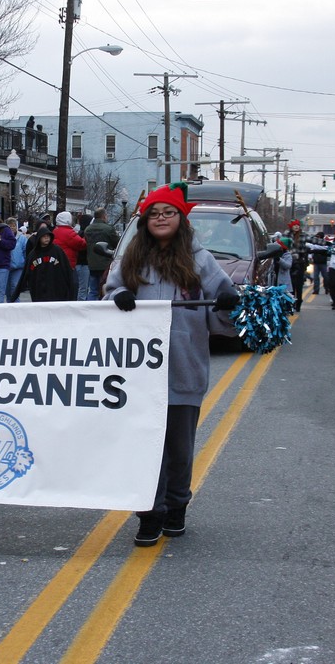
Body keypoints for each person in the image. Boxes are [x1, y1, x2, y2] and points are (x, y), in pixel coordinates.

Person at [103, 182, 240, 547]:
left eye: (168, 213)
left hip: (184, 368)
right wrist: (120, 296)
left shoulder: (201, 260)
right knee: (144, 447)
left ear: (181, 218)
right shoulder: (131, 258)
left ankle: (177, 506)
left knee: (178, 449)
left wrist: (227, 303)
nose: (161, 219)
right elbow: (110, 291)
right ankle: (150, 512)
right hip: (139, 375)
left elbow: (221, 309)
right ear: (145, 221)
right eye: (154, 214)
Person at [10, 225, 75, 302]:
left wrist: (72, 293)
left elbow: (67, 270)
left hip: (57, 288)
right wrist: (15, 295)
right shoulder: (33, 254)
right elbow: (25, 274)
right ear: (39, 238)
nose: (46, 238)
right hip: (38, 290)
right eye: (44, 236)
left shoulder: (57, 251)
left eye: (48, 236)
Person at [84, 207, 118, 300]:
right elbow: (117, 243)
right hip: (105, 263)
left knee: (93, 290)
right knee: (105, 290)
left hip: (92, 264)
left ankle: (90, 310)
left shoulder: (88, 229)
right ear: (104, 216)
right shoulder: (108, 229)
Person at [52, 211, 86, 294]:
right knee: (73, 286)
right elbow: (81, 244)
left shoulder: (55, 231)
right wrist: (86, 238)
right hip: (68, 264)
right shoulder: (69, 233)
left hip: (56, 264)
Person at [6, 217, 28, 302]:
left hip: (18, 267)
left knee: (15, 287)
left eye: (14, 225)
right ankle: (9, 306)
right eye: (9, 225)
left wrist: (24, 263)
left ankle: (16, 306)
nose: (12, 227)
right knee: (7, 290)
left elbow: (25, 251)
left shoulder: (22, 238)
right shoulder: (4, 236)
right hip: (6, 266)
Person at [75, 213, 92, 300]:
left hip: (81, 263)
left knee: (83, 288)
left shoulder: (79, 233)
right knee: (83, 288)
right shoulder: (84, 234)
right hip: (83, 264)